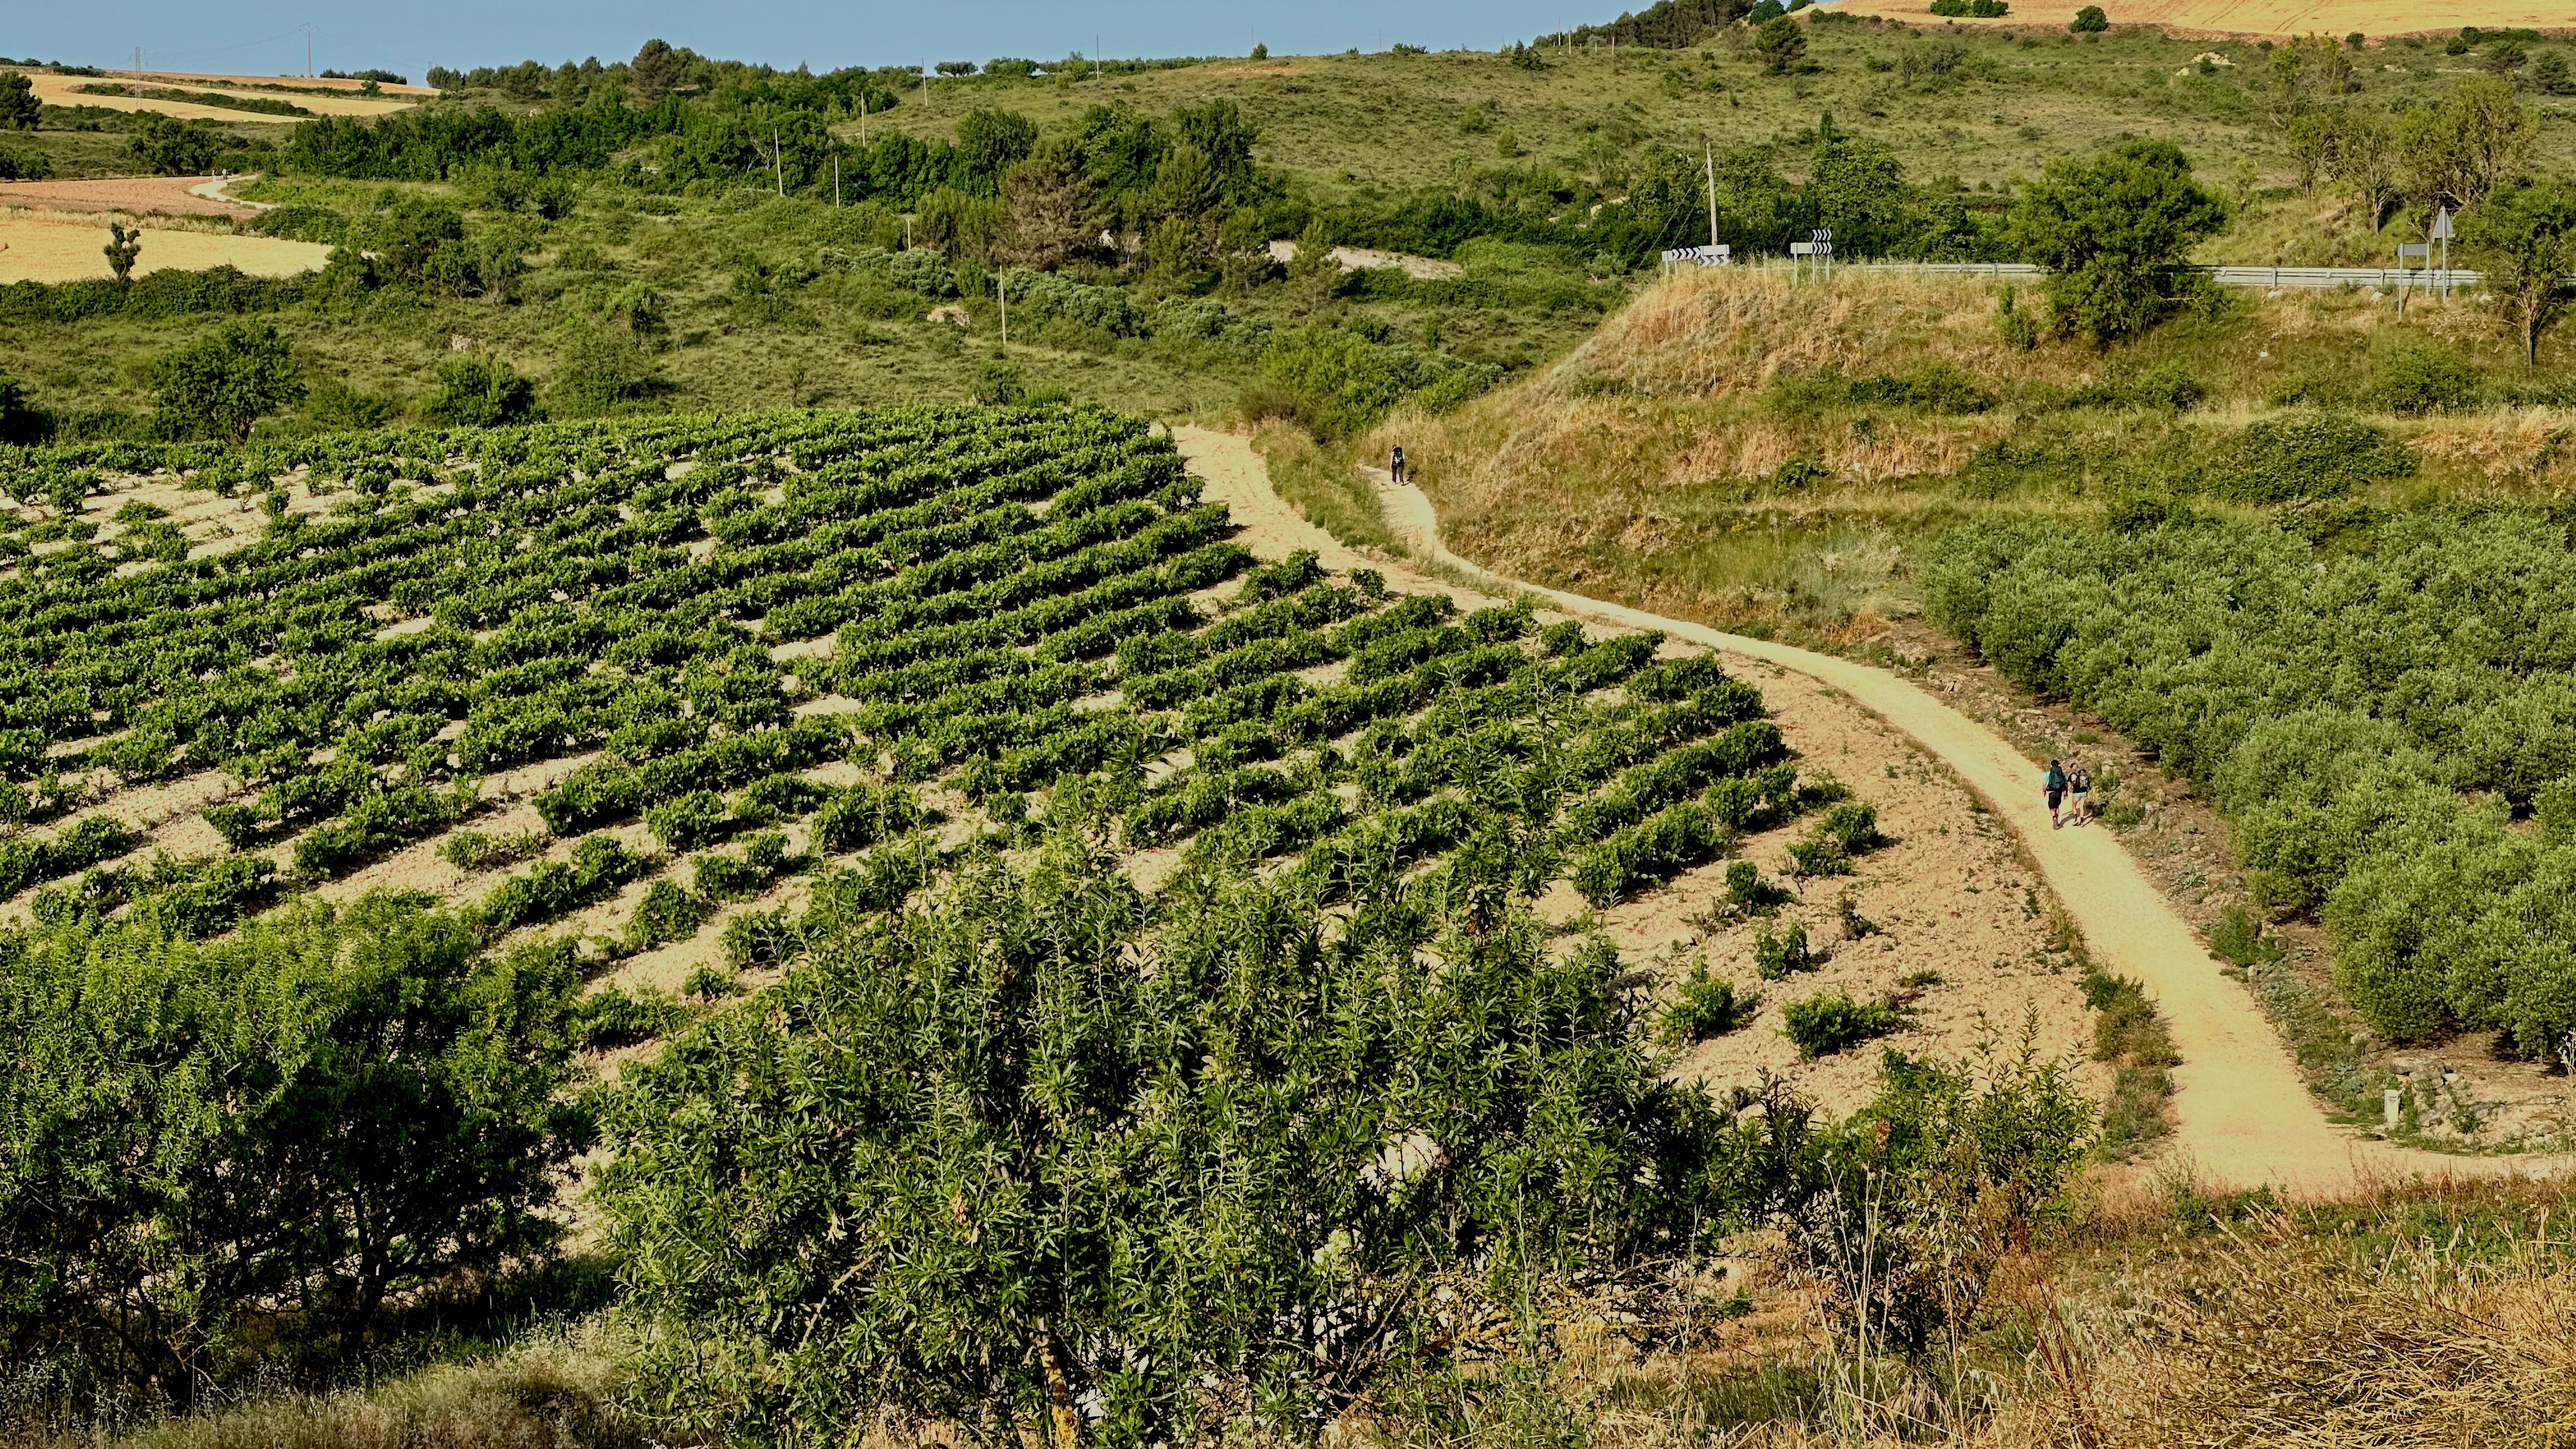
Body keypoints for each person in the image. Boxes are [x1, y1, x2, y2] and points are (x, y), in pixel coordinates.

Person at [2044, 758, 2067, 829]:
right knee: (2057, 806)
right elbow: (2065, 783)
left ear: (2051, 765)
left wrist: (2044, 791)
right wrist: (2066, 793)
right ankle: (2057, 819)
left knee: (2051, 807)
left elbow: (2045, 783)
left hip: (2052, 792)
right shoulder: (2061, 773)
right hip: (2059, 792)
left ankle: (2054, 818)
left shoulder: (2049, 773)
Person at [2068, 761, 2092, 825]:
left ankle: (2076, 819)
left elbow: (2069, 785)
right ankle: (2082, 822)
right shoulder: (2084, 776)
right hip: (2084, 792)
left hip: (2076, 793)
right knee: (2082, 807)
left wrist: (2069, 790)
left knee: (2074, 806)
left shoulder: (2073, 775)